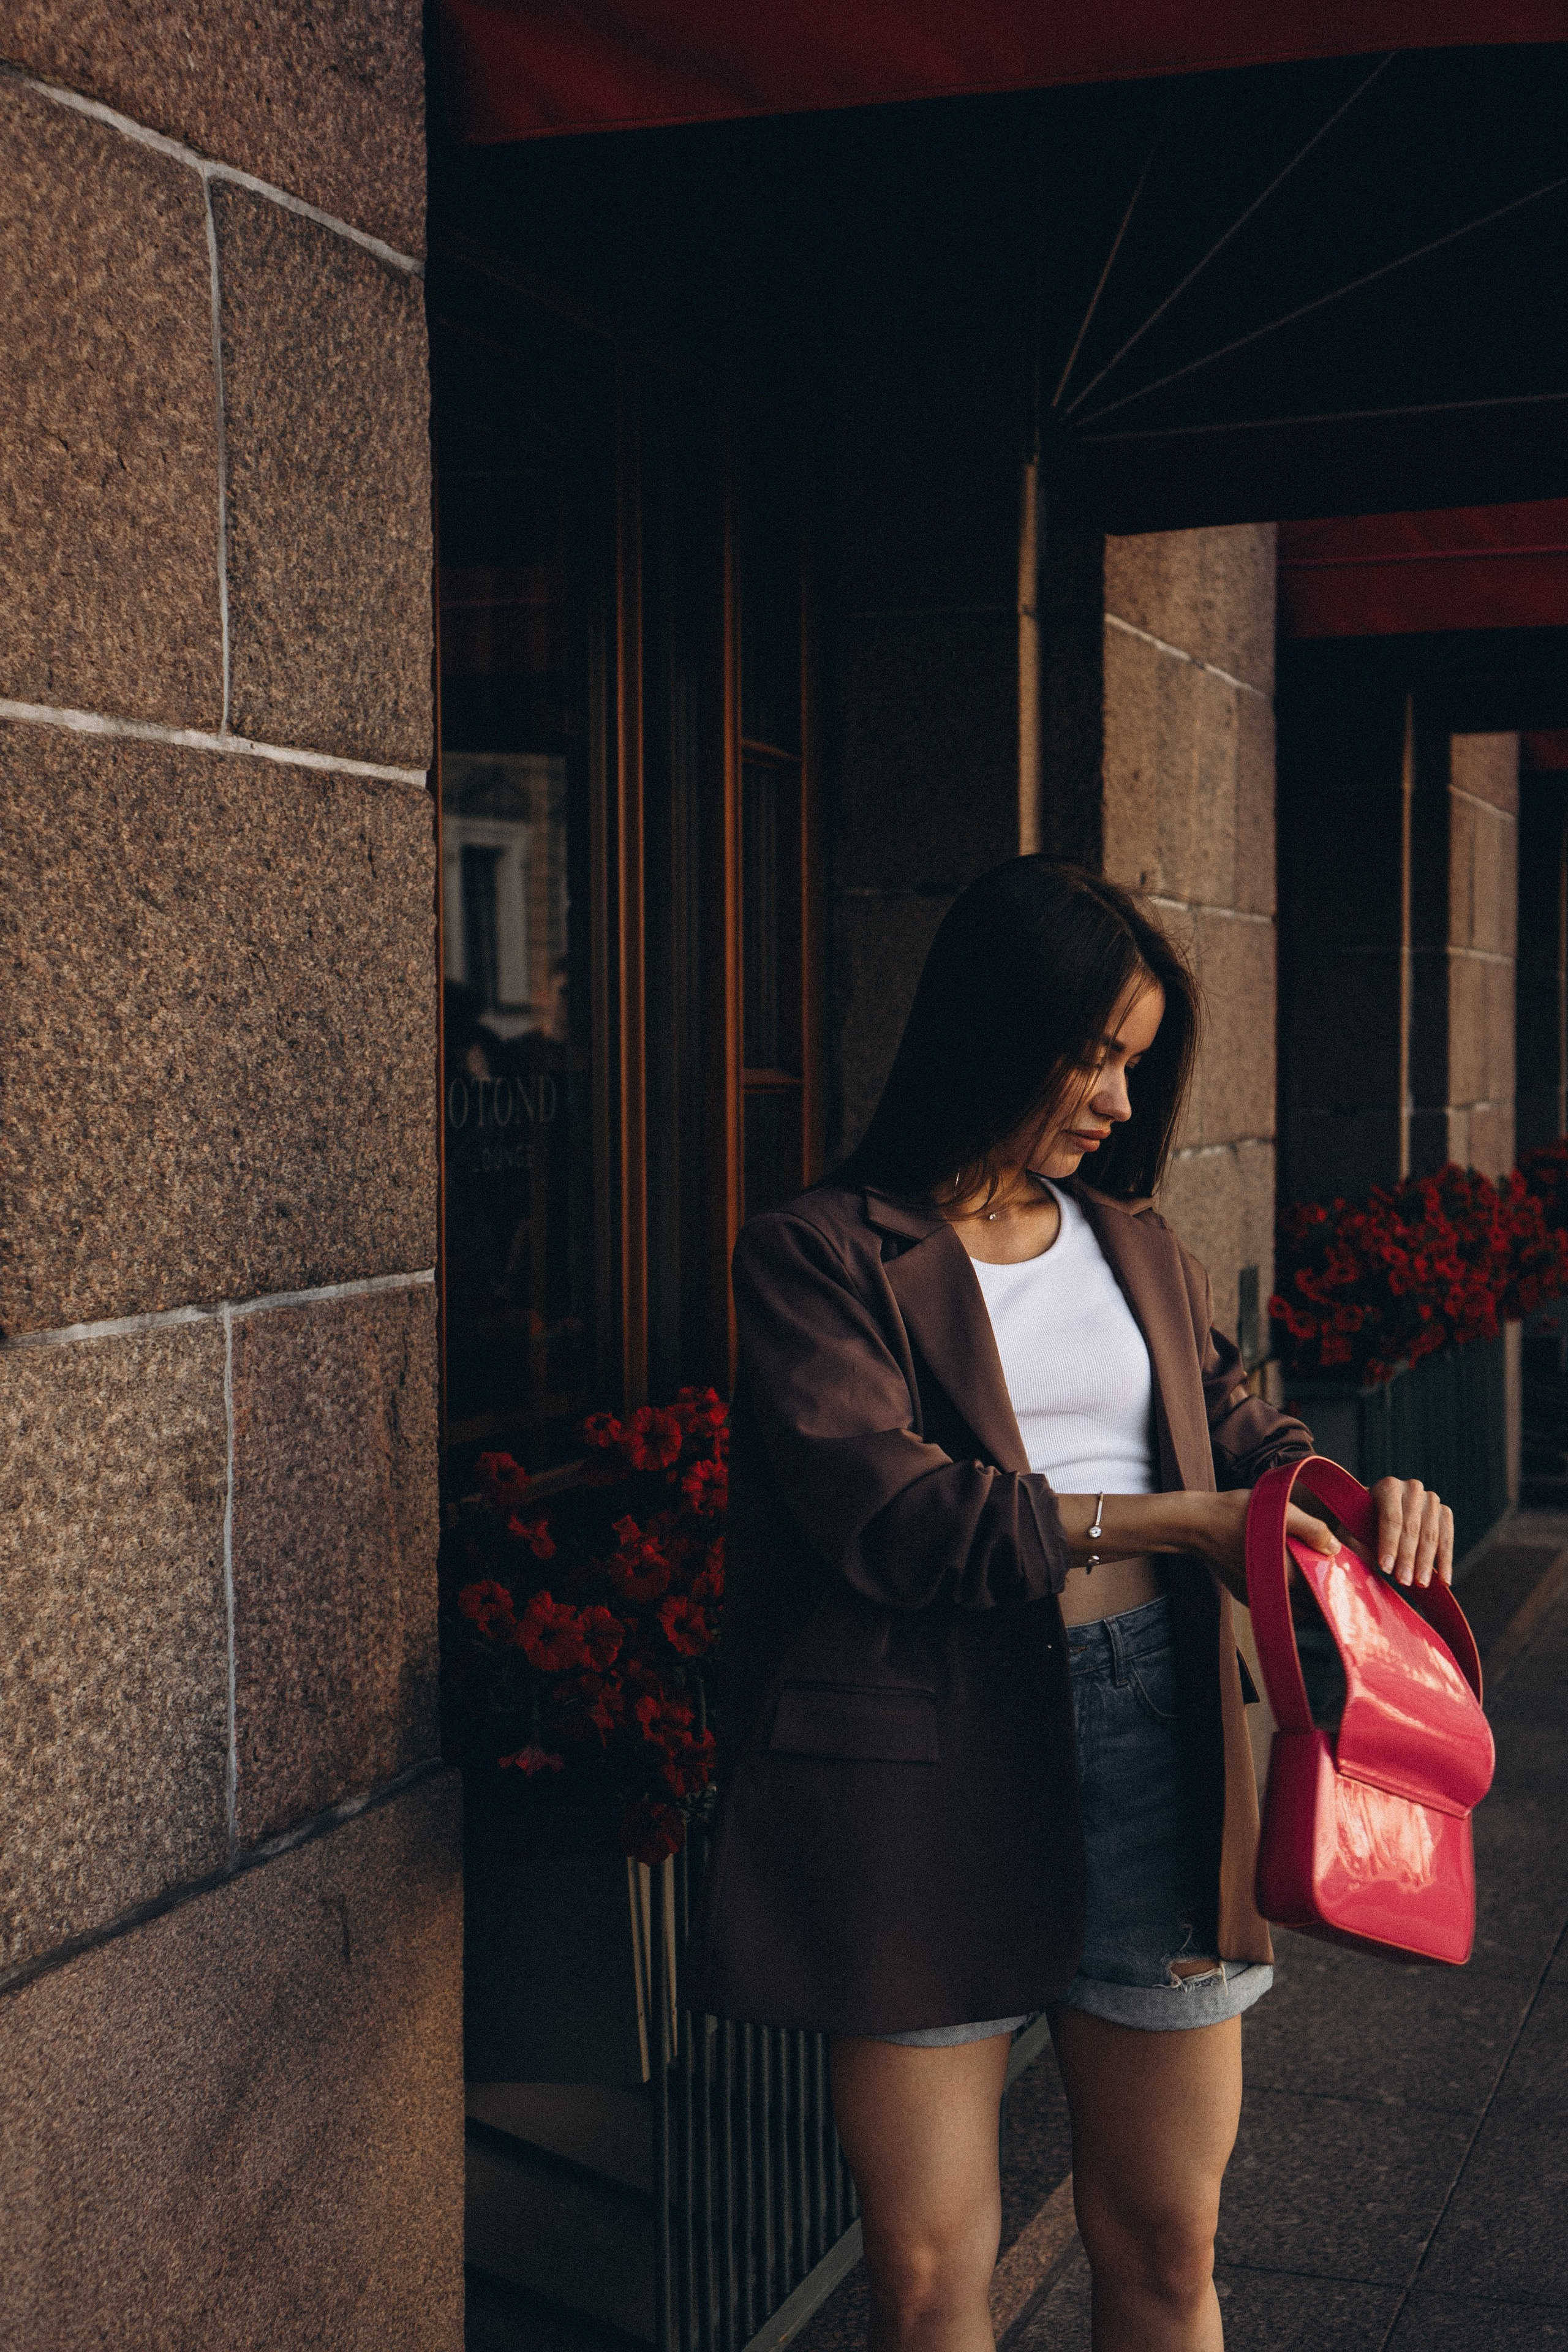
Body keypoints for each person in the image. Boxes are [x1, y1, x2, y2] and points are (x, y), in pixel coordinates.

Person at [681, 859, 1454, 2352]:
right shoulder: (818, 1255)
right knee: (924, 2283)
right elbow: (898, 1519)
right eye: (1093, 1054)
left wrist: (1351, 1502)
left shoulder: (1132, 1243)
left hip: (1156, 1738)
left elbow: (1245, 1441)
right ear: (994, 1031)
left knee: (1166, 2245)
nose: (1114, 1098)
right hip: (916, 1769)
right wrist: (1184, 1522)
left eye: (1133, 1062)